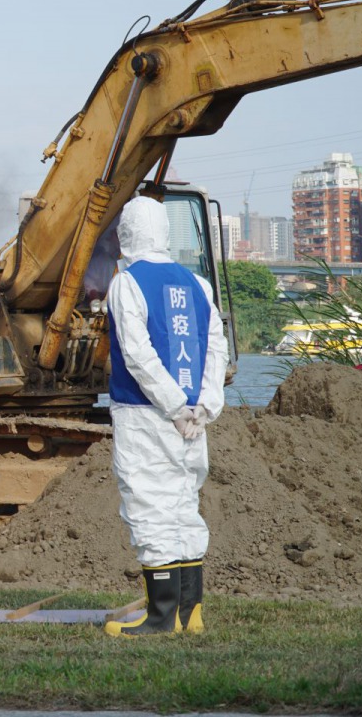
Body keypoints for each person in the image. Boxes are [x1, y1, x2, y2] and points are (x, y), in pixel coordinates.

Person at [102, 197, 228, 637]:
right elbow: (215, 348)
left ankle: (159, 617)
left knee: (149, 505)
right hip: (194, 418)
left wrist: (173, 408)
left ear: (126, 233)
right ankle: (190, 613)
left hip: (146, 414)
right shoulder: (197, 284)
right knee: (183, 506)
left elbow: (138, 355)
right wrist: (203, 406)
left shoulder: (126, 283)